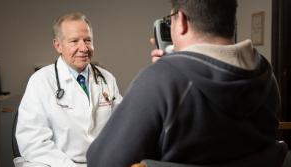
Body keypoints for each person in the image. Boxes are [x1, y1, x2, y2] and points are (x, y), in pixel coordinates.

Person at [86, 0, 280, 166]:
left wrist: (165, 72)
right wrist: (176, 67)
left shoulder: (161, 80)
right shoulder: (266, 75)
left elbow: (101, 162)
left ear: (181, 21)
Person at [15, 12, 122, 167]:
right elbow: (33, 142)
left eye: (88, 40)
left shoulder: (107, 79)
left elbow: (122, 126)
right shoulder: (41, 81)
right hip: (56, 164)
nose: (83, 48)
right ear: (58, 45)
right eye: (74, 41)